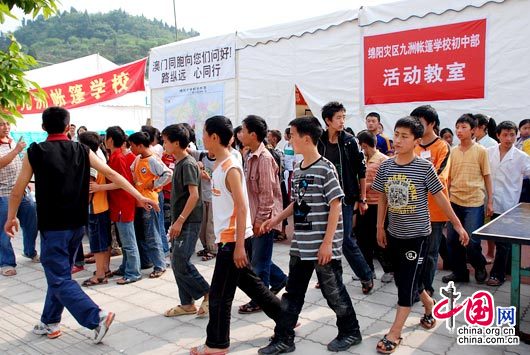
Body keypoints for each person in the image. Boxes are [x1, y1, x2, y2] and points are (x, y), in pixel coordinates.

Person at [4, 107, 157, 342]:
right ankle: (49, 322)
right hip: (77, 224)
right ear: (68, 127)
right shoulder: (82, 149)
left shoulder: (35, 151)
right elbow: (114, 175)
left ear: (43, 128)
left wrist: (11, 217)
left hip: (53, 226)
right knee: (60, 275)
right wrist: (139, 195)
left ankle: (96, 317)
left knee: (58, 277)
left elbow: (17, 191)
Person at [259, 116, 362, 354]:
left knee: (333, 292)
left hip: (322, 245)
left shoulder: (325, 168)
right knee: (293, 293)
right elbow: (297, 202)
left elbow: (336, 204)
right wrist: (276, 219)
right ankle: (284, 338)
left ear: (306, 138)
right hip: (301, 244)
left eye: (293, 135)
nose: (290, 138)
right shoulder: (299, 167)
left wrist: (327, 244)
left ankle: (350, 331)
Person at [372, 116, 469, 354]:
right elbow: (383, 197)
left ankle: (395, 332)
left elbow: (440, 197)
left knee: (406, 284)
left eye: (405, 136)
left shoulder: (424, 168)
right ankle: (429, 305)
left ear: (416, 140)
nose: (398, 140)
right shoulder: (386, 166)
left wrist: (457, 225)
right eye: (396, 134)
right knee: (405, 279)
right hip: (394, 233)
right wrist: (379, 227)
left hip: (418, 236)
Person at [190, 116, 281, 355]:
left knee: (220, 296)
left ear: (214, 138)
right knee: (256, 288)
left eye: (205, 134)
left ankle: (217, 344)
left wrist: (240, 246)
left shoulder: (230, 166)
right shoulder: (221, 165)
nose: (202, 138)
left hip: (233, 241)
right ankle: (286, 318)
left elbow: (242, 208)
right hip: (230, 239)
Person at [317, 102, 373, 294]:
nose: (342, 121)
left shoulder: (350, 141)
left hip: (346, 198)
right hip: (323, 198)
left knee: (345, 240)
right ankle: (329, 277)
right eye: (338, 118)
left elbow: (361, 170)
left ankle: (366, 275)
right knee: (324, 238)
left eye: (343, 117)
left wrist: (363, 198)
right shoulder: (319, 141)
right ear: (328, 120)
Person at [238, 115, 287, 314]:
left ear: (253, 134)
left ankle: (259, 298)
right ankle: (280, 279)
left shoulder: (265, 158)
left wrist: (260, 222)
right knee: (259, 257)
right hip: (254, 217)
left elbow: (267, 195)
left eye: (243, 130)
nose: (240, 134)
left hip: (264, 218)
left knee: (258, 261)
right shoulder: (250, 155)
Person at [161, 124, 210, 318]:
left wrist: (180, 221)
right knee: (177, 261)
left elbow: (194, 195)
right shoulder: (180, 162)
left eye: (165, 141)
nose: (163, 144)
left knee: (180, 261)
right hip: (180, 220)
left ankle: (208, 293)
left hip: (189, 220)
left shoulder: (188, 164)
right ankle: (186, 303)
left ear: (176, 142)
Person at [442, 114, 492, 284]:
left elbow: (487, 177)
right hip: (454, 200)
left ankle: (479, 266)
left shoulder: (481, 151)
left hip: (474, 202)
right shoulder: (452, 151)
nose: (459, 131)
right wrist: (446, 200)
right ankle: (460, 273)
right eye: (458, 127)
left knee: (471, 241)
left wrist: (490, 201)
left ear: (473, 130)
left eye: (464, 127)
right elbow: (447, 178)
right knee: (452, 241)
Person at [92, 126, 142, 284]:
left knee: (128, 241)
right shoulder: (115, 156)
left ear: (111, 140)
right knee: (124, 239)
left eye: (106, 137)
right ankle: (126, 266)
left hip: (123, 204)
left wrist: (100, 188)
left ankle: (133, 272)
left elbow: (122, 182)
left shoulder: (117, 158)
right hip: (119, 204)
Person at [411, 105, 451, 298]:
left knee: (430, 253)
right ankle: (414, 287)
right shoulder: (413, 145)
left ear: (432, 123)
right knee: (413, 253)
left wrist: (416, 180)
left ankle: (426, 288)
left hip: (435, 209)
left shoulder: (443, 147)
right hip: (412, 209)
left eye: (419, 122)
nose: (416, 125)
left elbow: (439, 177)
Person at [486, 121, 530, 286]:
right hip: (488, 202)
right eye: (505, 134)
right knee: (495, 240)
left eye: (512, 134)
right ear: (498, 135)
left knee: (503, 242)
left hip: (508, 204)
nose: (509, 138)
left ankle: (498, 274)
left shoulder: (521, 157)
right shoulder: (488, 153)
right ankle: (509, 268)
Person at [128, 132, 172, 279]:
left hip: (150, 202)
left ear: (140, 145)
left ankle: (160, 265)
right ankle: (152, 261)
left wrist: (154, 184)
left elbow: (168, 174)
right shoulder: (138, 158)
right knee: (145, 234)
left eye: (133, 146)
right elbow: (132, 170)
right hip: (140, 201)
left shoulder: (153, 160)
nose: (131, 148)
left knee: (152, 234)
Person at [0, 119, 38, 277]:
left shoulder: (12, 141)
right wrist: (16, 150)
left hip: (22, 191)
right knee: (4, 229)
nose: (6, 127)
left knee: (32, 223)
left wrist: (27, 181)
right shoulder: (14, 146)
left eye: (7, 124)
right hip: (3, 193)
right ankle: (6, 262)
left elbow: (20, 164)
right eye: (2, 124)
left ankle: (30, 251)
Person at [354, 130, 392, 283]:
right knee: (363, 239)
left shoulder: (384, 160)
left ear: (365, 145)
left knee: (380, 239)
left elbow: (386, 183)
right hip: (365, 203)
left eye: (361, 146)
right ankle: (368, 270)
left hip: (379, 205)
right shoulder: (362, 159)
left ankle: (389, 269)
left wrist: (365, 186)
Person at [79, 131, 112, 287]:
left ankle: (99, 275)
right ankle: (105, 269)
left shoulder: (91, 163)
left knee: (97, 243)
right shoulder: (101, 157)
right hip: (103, 205)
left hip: (95, 207)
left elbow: (89, 189)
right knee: (104, 240)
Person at [141, 125, 169, 256]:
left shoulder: (153, 151)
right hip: (156, 191)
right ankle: (163, 250)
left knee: (157, 224)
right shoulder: (151, 151)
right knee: (159, 223)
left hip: (155, 192)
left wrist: (153, 184)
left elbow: (167, 173)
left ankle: (162, 251)